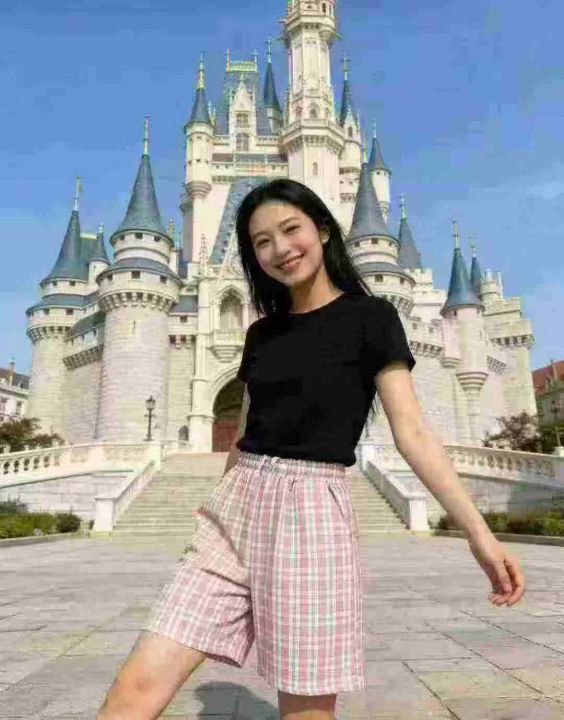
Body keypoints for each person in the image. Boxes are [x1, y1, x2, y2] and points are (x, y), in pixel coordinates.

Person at [96, 178, 525, 720]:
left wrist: (478, 533)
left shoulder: (372, 318)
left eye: (290, 229)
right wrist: (221, 502)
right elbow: (246, 432)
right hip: (235, 513)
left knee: (305, 709)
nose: (280, 248)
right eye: (262, 241)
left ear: (322, 229)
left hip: (312, 515)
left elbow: (412, 432)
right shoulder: (262, 334)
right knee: (135, 686)